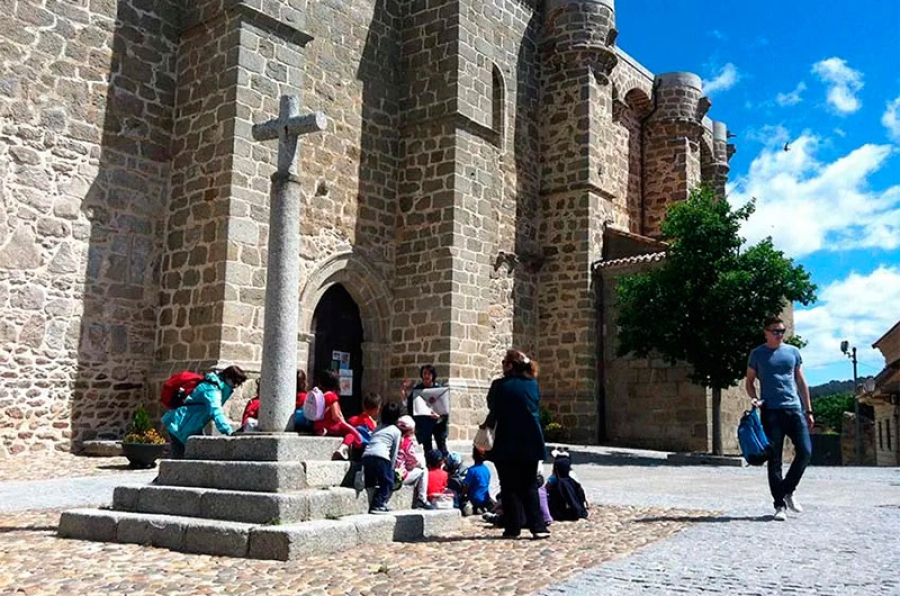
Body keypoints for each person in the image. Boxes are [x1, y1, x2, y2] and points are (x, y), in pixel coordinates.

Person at [745, 316, 814, 522]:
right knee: (774, 460)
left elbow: (801, 382)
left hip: (794, 409)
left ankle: (787, 490)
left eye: (782, 331)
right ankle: (779, 505)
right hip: (771, 411)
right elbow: (749, 381)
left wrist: (808, 410)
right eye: (775, 331)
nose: (779, 335)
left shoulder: (793, 352)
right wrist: (755, 398)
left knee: (805, 451)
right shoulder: (757, 354)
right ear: (766, 332)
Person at [480, 349, 549, 540]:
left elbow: (492, 405)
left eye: (504, 362)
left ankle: (513, 527)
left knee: (509, 486)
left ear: (510, 365)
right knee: (529, 485)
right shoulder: (532, 385)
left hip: (506, 441)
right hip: (531, 441)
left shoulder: (499, 386)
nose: (502, 365)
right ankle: (538, 526)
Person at [162, 365, 248, 459]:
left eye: (238, 384)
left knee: (191, 460)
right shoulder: (212, 390)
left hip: (188, 426)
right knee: (179, 461)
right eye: (235, 382)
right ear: (227, 377)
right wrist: (229, 431)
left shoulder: (215, 386)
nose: (235, 386)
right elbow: (216, 411)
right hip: (180, 426)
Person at [311, 369, 364, 460]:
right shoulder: (332, 396)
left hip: (318, 424)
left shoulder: (321, 396)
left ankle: (322, 430)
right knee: (351, 433)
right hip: (330, 425)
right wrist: (345, 423)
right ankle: (343, 448)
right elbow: (335, 415)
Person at [361, 402, 403, 513]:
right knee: (388, 482)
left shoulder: (377, 427)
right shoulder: (396, 431)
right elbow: (394, 452)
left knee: (371, 481)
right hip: (382, 457)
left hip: (367, 455)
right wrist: (392, 468)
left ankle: (375, 503)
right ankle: (378, 504)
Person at [402, 364, 448, 455]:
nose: (426, 376)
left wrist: (439, 417)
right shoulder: (417, 390)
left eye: (429, 373)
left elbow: (445, 410)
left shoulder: (439, 390)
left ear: (433, 375)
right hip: (424, 424)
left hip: (437, 424)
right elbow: (410, 406)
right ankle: (430, 466)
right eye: (424, 373)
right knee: (427, 449)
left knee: (442, 448)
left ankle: (445, 467)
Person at [395, 415, 433, 509]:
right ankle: (422, 499)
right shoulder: (407, 443)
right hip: (399, 476)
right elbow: (412, 461)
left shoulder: (393, 439)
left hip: (389, 473)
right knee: (423, 470)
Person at [336, 392, 381, 460]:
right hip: (365, 449)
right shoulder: (372, 423)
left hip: (357, 449)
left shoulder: (354, 419)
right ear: (376, 409)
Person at [545, 454, 588, 521]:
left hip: (560, 512)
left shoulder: (556, 482)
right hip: (575, 511)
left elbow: (545, 490)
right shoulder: (573, 482)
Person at [463, 447, 495, 514]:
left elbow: (466, 488)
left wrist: (462, 495)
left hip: (475, 498)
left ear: (473, 456)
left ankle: (473, 508)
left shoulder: (471, 470)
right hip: (485, 498)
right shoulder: (487, 469)